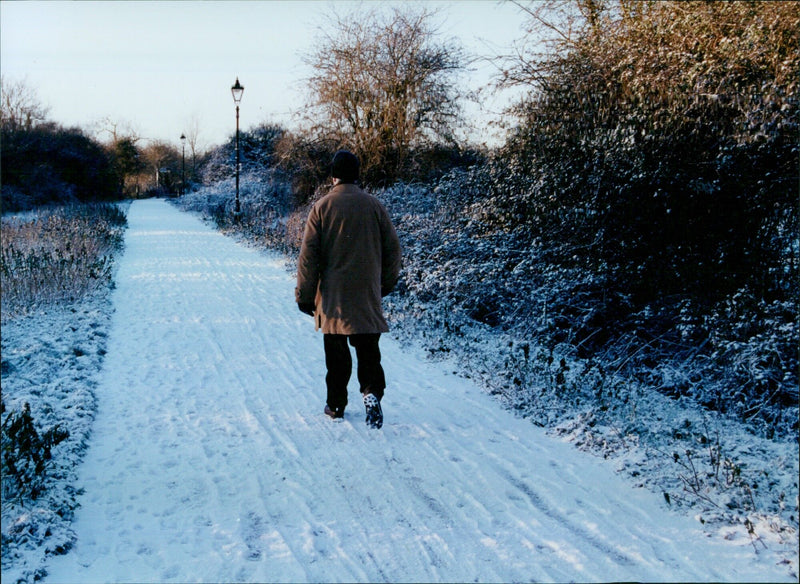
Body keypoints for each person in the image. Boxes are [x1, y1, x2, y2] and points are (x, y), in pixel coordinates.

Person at [296, 150, 402, 429]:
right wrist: (382, 286)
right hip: (366, 294)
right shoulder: (375, 206)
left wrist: (305, 296)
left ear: (333, 176)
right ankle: (370, 392)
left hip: (333, 297)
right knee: (368, 351)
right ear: (357, 175)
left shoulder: (321, 207)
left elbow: (309, 257)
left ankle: (336, 405)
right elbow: (393, 250)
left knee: (337, 357)